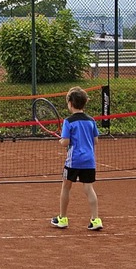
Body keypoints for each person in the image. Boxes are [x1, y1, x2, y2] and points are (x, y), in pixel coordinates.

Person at [51, 86, 103, 231]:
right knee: (89, 188)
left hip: (73, 161)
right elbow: (96, 141)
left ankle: (62, 218)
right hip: (89, 160)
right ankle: (95, 219)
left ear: (70, 103)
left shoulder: (68, 121)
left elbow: (65, 142)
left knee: (66, 187)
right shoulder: (91, 121)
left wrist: (61, 141)